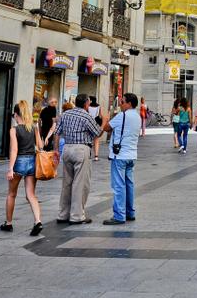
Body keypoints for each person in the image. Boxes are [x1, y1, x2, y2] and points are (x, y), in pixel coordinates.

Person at [54, 94, 101, 224]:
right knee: (80, 183)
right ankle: (76, 216)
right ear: (86, 104)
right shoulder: (86, 116)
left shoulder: (65, 114)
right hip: (81, 149)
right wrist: (105, 122)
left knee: (67, 183)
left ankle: (63, 214)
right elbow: (97, 133)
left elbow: (56, 133)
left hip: (67, 149)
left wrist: (56, 150)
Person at [0, 100, 43, 236]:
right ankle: (37, 221)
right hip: (32, 162)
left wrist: (11, 168)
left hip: (20, 161)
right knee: (31, 194)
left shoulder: (14, 130)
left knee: (12, 193)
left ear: (16, 115)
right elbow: (40, 145)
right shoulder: (34, 127)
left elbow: (14, 150)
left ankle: (8, 223)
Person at [103, 93, 141, 225]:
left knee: (119, 185)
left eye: (122, 102)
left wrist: (106, 119)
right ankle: (130, 212)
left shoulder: (122, 115)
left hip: (119, 156)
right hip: (132, 155)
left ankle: (119, 215)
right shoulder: (137, 117)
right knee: (129, 184)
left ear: (129, 103)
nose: (121, 104)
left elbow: (106, 128)